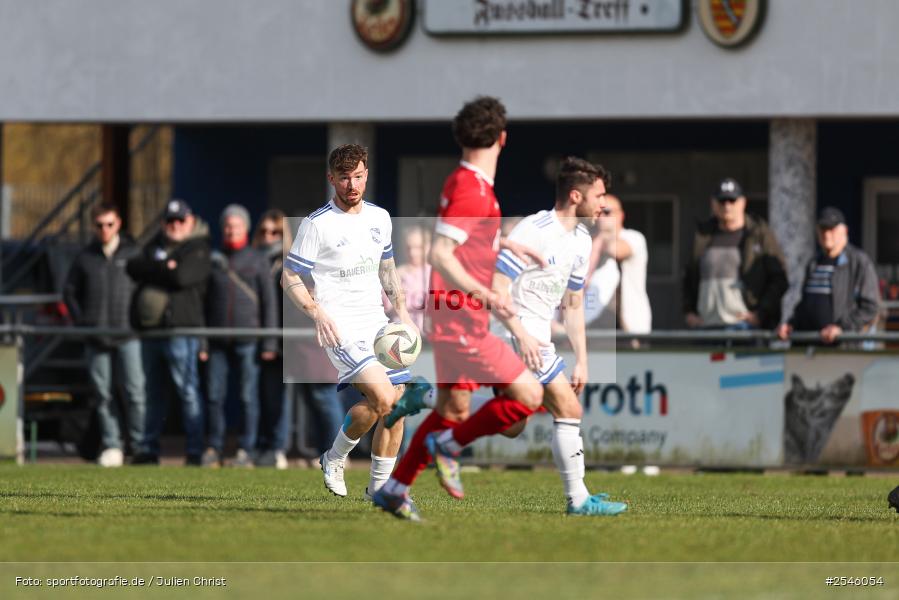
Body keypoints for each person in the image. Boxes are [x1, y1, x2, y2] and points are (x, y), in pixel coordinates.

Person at [374, 96, 546, 521]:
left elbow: (464, 244)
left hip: (454, 317)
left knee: (453, 411)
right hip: (462, 321)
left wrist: (503, 243)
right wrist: (486, 294)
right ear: (502, 138)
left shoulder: (467, 184)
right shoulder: (472, 187)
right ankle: (449, 446)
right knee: (529, 394)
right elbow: (442, 255)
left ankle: (395, 488)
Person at [487, 157, 627, 516]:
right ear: (576, 196)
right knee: (567, 407)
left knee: (514, 425)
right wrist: (520, 334)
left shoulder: (581, 241)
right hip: (511, 336)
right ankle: (578, 500)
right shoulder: (534, 230)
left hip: (537, 340)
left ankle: (435, 406)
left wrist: (582, 359)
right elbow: (498, 289)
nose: (603, 205)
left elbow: (573, 304)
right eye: (599, 196)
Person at [281, 143, 420, 500]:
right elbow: (290, 276)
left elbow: (386, 268)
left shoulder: (380, 218)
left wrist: (401, 312)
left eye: (357, 176)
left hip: (378, 324)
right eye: (344, 178)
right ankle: (337, 458)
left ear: (367, 174)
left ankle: (377, 487)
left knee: (393, 406)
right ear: (332, 179)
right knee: (385, 398)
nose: (351, 184)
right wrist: (316, 311)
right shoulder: (317, 225)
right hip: (341, 328)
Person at [127, 199, 211, 465]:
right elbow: (133, 267)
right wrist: (166, 267)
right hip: (152, 332)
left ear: (191, 220)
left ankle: (195, 452)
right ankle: (147, 450)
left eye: (180, 220)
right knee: (152, 393)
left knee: (187, 392)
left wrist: (157, 270)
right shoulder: (155, 245)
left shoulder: (199, 247)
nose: (174, 225)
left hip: (182, 332)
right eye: (169, 221)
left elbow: (182, 278)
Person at [63, 203, 145, 467]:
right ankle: (112, 445)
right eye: (99, 225)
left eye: (109, 224)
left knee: (135, 392)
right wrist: (82, 321)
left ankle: (140, 444)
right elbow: (70, 291)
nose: (104, 230)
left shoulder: (133, 253)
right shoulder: (85, 257)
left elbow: (146, 289)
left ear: (118, 223)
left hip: (128, 335)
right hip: (96, 336)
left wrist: (141, 320)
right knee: (102, 394)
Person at [200, 204, 278, 468]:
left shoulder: (257, 260)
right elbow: (203, 303)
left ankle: (246, 450)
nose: (231, 230)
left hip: (249, 342)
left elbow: (269, 304)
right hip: (217, 342)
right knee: (214, 396)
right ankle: (214, 448)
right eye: (227, 226)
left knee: (248, 397)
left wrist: (269, 342)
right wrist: (203, 341)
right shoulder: (213, 260)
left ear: (245, 228)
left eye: (236, 226)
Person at [683, 178, 788, 331]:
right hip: (706, 326)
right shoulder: (702, 236)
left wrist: (760, 314)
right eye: (722, 201)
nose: (727, 206)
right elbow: (688, 276)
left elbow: (779, 279)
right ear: (713, 203)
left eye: (732, 201)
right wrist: (689, 312)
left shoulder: (758, 233)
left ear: (743, 202)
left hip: (744, 327)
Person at [777, 207, 880, 344]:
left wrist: (841, 328)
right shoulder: (814, 263)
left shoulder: (859, 262)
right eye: (823, 229)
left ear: (844, 231)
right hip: (810, 349)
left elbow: (870, 307)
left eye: (832, 229)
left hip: (842, 349)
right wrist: (791, 324)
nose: (827, 234)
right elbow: (805, 305)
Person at [253, 209, 294, 469]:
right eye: (264, 231)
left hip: (283, 340)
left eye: (275, 232)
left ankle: (278, 447)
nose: (269, 237)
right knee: (259, 397)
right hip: (255, 337)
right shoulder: (253, 260)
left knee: (279, 398)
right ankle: (262, 445)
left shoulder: (290, 263)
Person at [592, 194, 652, 334]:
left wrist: (600, 236)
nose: (601, 217)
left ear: (620, 215)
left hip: (630, 325)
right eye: (598, 212)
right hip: (596, 325)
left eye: (606, 212)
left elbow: (617, 250)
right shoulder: (591, 240)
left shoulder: (634, 237)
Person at [393, 225, 431, 332]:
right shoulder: (396, 274)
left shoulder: (435, 274)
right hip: (402, 336)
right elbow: (386, 307)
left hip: (429, 338)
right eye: (409, 247)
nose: (412, 253)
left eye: (418, 247)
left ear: (428, 246)